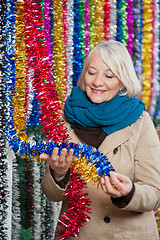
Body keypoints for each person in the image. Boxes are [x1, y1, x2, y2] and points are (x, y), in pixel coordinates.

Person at [40, 40, 160, 240]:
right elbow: (52, 194)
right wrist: (58, 174)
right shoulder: (65, 119)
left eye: (109, 75)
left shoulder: (140, 120)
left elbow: (154, 193)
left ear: (123, 80)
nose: (97, 82)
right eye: (92, 72)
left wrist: (130, 192)